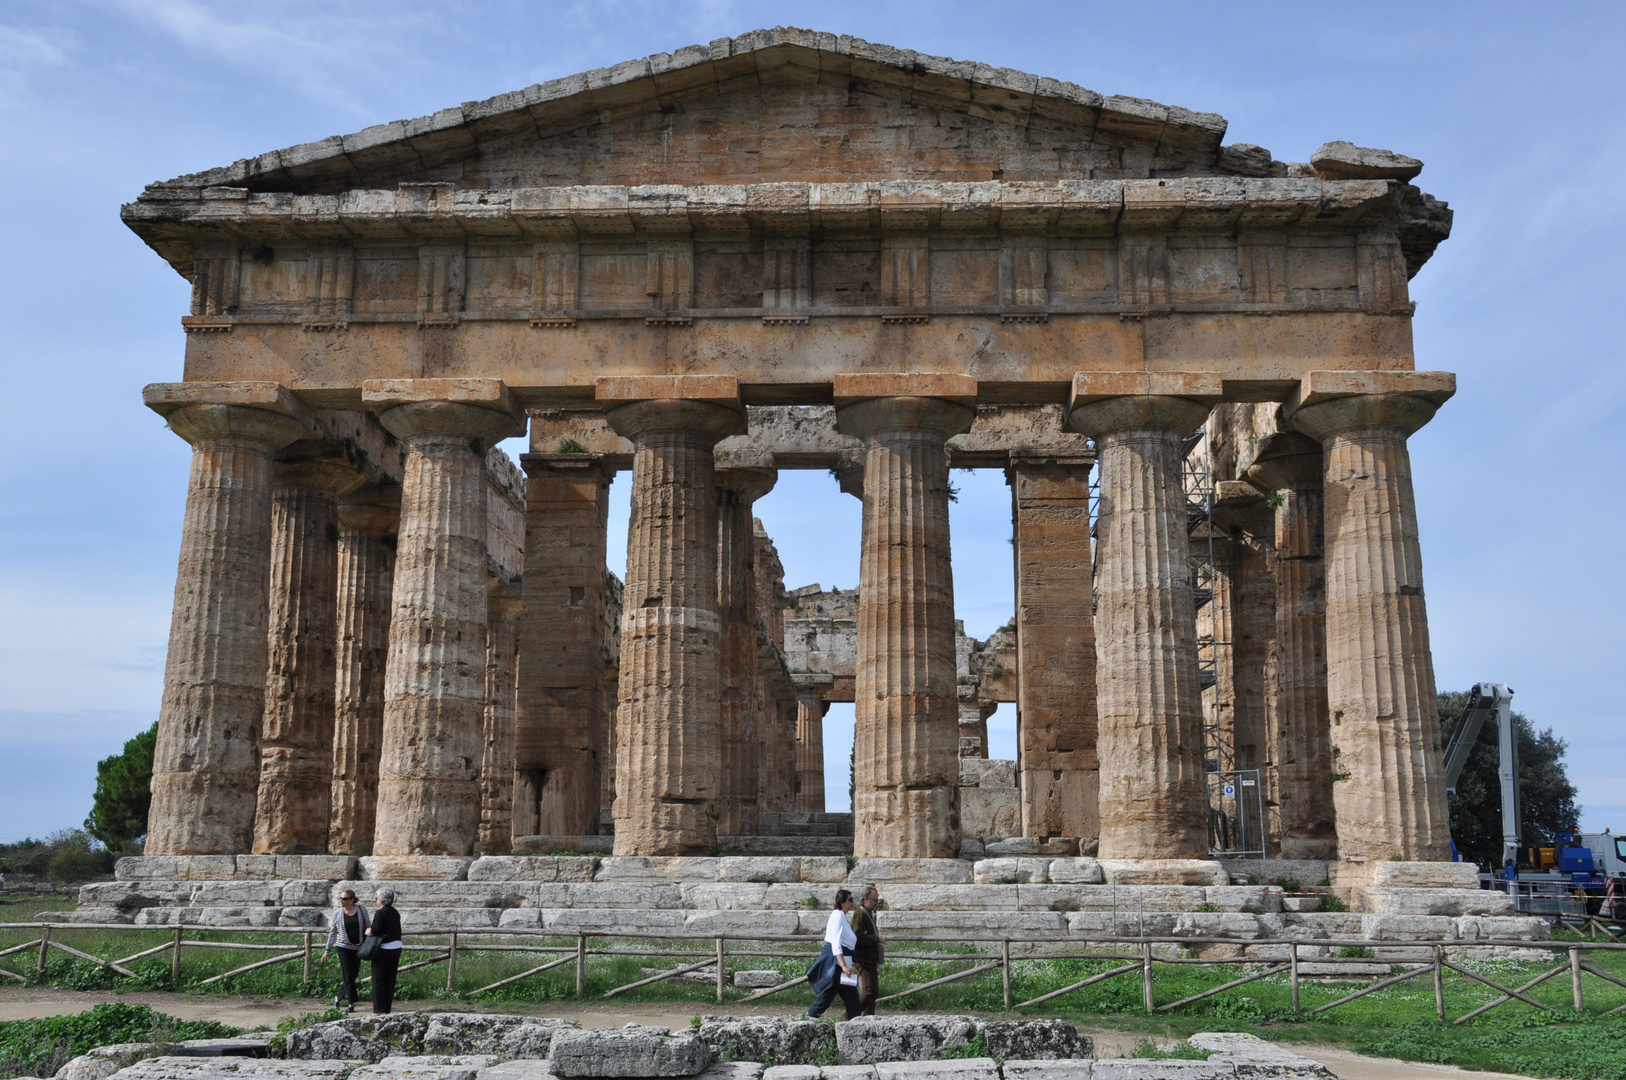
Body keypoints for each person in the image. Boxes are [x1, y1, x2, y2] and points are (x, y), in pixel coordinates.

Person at [806, 888, 861, 1020]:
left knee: (852, 999)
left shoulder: (841, 917)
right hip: (836, 964)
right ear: (842, 902)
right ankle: (807, 1020)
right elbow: (836, 944)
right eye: (850, 900)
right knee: (827, 995)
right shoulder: (837, 917)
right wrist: (843, 966)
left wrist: (850, 963)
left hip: (842, 963)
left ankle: (856, 1024)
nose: (853, 903)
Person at [318, 888, 370, 1011]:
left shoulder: (362, 910)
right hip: (343, 947)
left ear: (352, 900)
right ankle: (351, 1004)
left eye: (344, 898)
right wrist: (327, 950)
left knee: (353, 975)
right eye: (340, 898)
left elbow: (368, 925)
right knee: (348, 974)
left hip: (358, 947)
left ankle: (337, 998)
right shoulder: (337, 913)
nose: (341, 900)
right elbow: (333, 932)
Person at [364, 887, 403, 1014]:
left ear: (381, 900)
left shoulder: (380, 913)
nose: (376, 901)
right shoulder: (395, 912)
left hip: (384, 949)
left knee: (378, 979)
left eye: (377, 899)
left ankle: (379, 1009)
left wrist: (369, 931)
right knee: (390, 979)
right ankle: (387, 1009)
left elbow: (376, 929)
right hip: (396, 947)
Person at [849, 884, 885, 1015]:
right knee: (871, 992)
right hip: (864, 958)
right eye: (874, 900)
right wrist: (876, 939)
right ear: (866, 900)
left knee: (869, 992)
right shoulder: (860, 914)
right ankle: (850, 1014)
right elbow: (858, 936)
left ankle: (869, 1020)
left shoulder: (868, 913)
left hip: (869, 958)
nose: (876, 903)